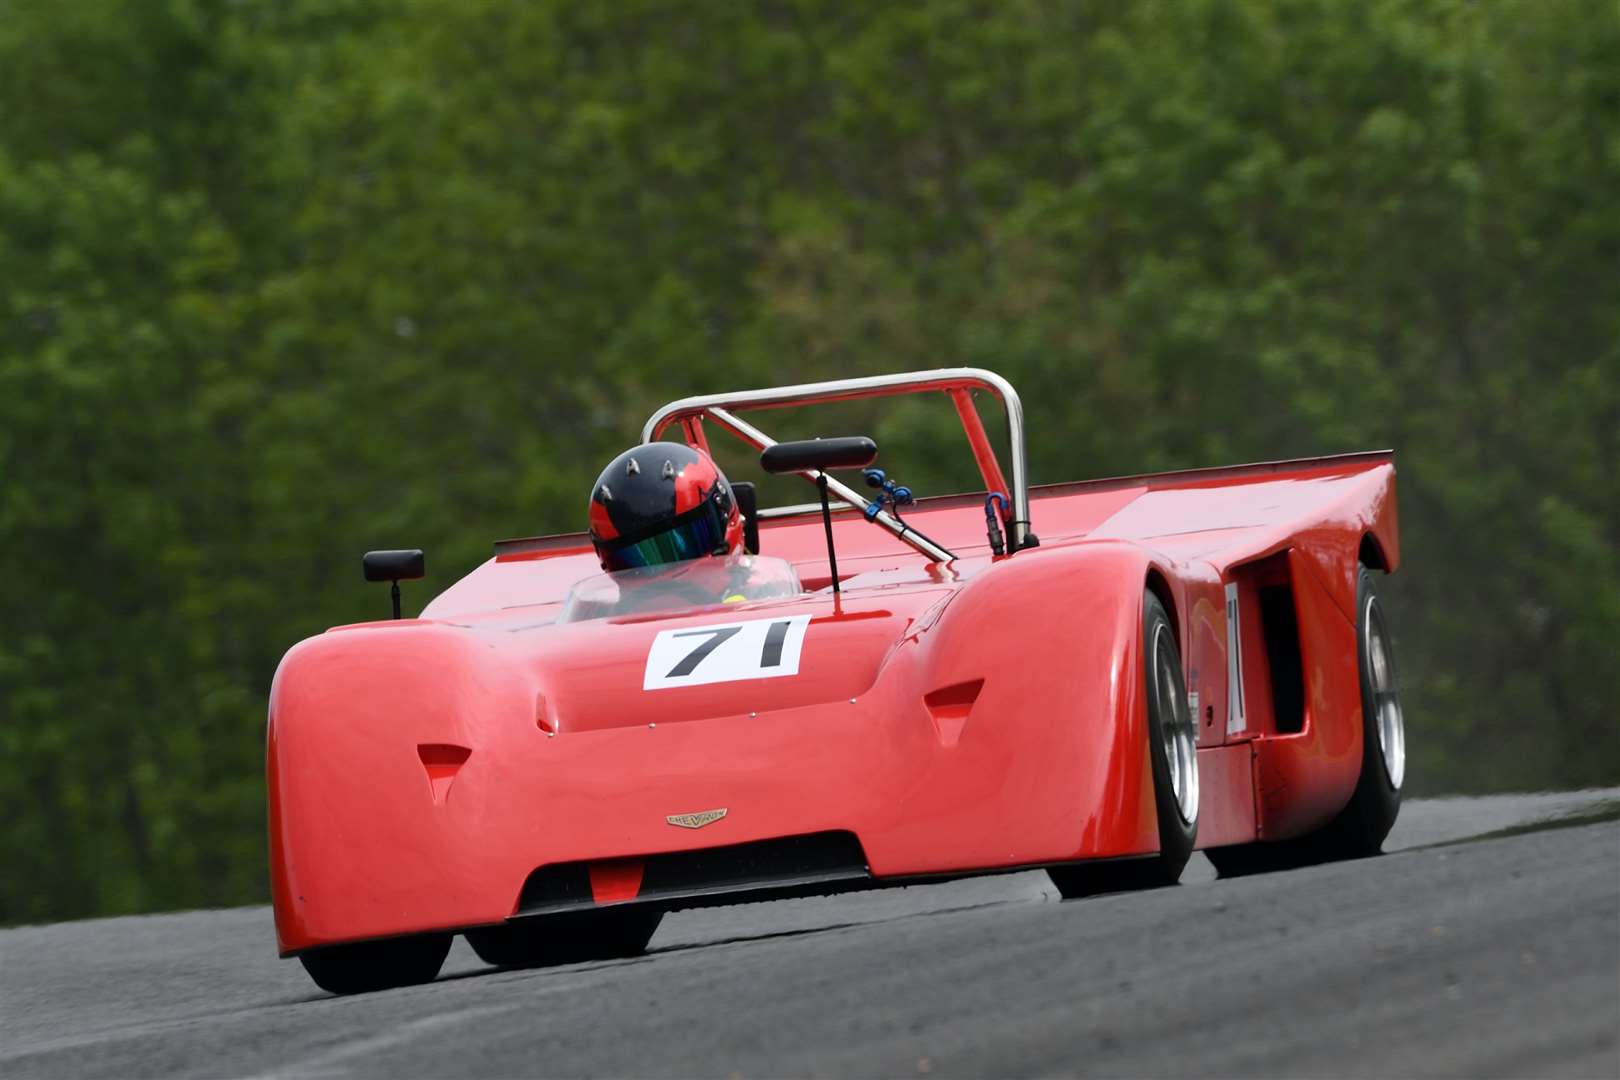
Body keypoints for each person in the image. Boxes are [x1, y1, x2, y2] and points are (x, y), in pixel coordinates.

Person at [572, 442, 796, 619]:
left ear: (725, 517)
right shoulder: (592, 628)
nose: (664, 573)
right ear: (606, 561)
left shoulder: (774, 601)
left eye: (682, 543)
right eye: (635, 558)